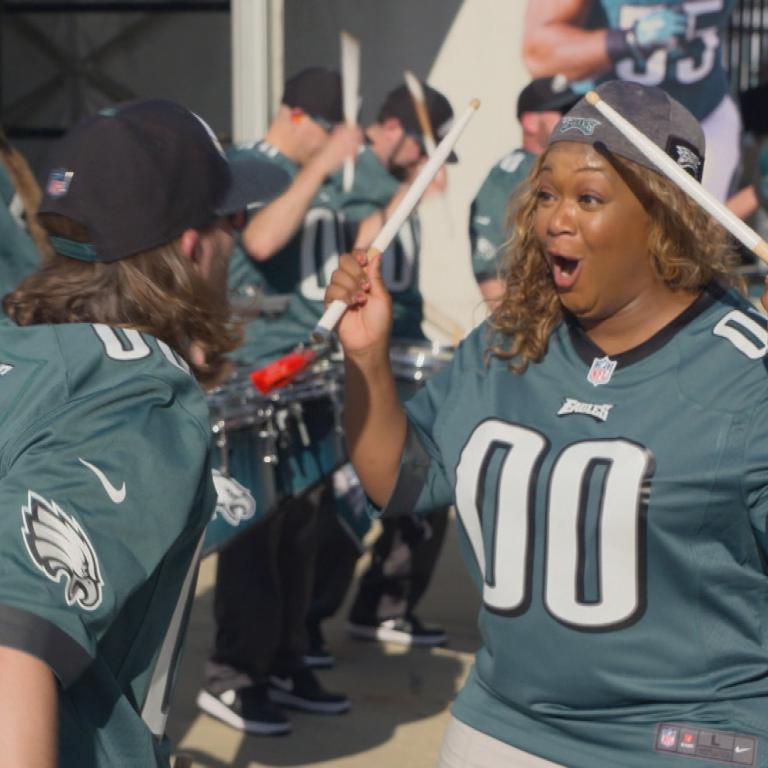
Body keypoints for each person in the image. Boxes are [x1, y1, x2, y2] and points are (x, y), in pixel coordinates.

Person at [324, 79, 768, 767]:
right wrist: (367, 361)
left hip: (685, 740)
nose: (554, 220)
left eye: (588, 198)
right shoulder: (510, 341)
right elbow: (401, 483)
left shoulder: (746, 374)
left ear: (666, 216)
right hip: (503, 724)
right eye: (547, 194)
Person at [0, 99, 288, 768]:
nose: (236, 238)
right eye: (232, 218)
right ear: (191, 246)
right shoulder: (134, 392)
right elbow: (13, 641)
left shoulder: (25, 348)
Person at [196, 66, 361, 736]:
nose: (327, 142)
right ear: (297, 116)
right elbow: (260, 242)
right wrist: (322, 166)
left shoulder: (298, 177)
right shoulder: (245, 168)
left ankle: (285, 659)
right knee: (254, 535)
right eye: (322, 130)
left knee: (300, 535)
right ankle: (234, 675)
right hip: (255, 383)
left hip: (305, 378)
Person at [318, 80, 457, 655]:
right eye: (422, 153)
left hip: (403, 353)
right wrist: (413, 191)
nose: (426, 167)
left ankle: (387, 602)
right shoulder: (356, 178)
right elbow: (359, 251)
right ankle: (309, 621)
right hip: (358, 356)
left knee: (427, 480)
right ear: (394, 129)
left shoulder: (399, 182)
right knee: (354, 492)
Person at [522, 0, 740, 201]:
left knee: (697, 232)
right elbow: (538, 54)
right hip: (612, 127)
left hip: (703, 116)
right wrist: (627, 40)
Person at [469, 77, 577, 307]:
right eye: (562, 112)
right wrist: (516, 330)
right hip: (536, 317)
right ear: (530, 122)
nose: (572, 119)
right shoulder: (509, 176)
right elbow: (488, 264)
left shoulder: (575, 166)